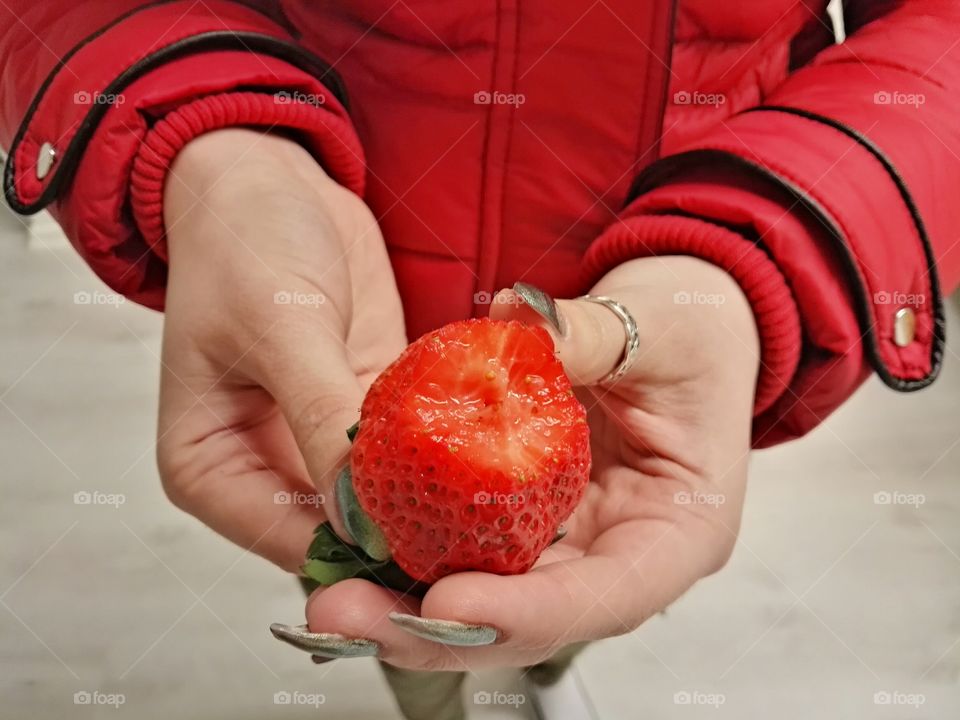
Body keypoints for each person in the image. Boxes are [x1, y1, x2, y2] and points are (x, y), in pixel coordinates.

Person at [2, 1, 958, 718]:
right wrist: (219, 139)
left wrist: (778, 237)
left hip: (657, 330)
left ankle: (538, 673)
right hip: (340, 327)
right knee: (386, 593)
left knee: (564, 594)